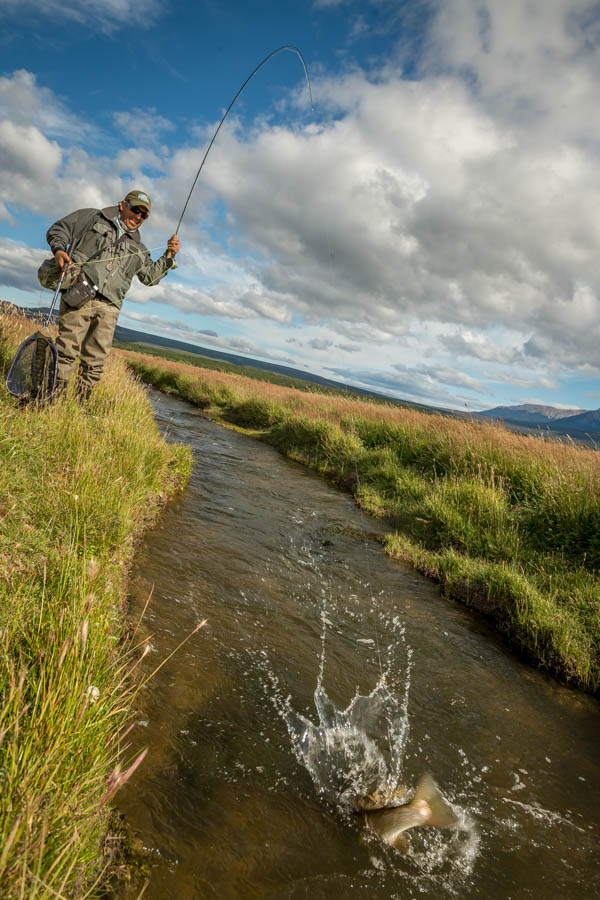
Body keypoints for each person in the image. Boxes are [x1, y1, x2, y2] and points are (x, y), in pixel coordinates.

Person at [46, 189, 180, 400]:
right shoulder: (91, 217)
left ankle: (79, 403)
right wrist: (59, 250)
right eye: (135, 210)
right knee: (66, 351)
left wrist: (169, 255)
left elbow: (150, 278)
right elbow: (59, 229)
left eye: (144, 215)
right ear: (122, 205)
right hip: (79, 295)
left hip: (110, 309)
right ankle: (51, 399)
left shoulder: (139, 247)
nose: (138, 217)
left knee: (95, 361)